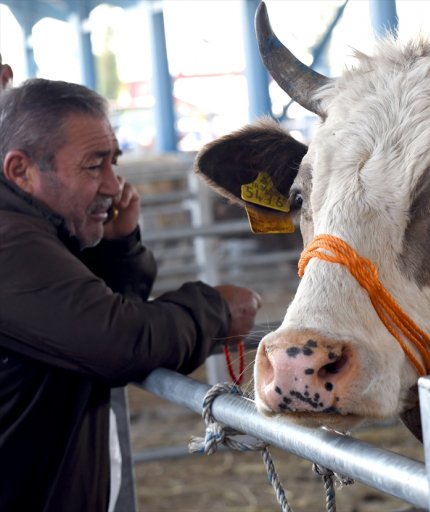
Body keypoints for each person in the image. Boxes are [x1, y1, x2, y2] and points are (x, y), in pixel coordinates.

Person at [0, 78, 261, 511]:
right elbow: (119, 340)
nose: (113, 185)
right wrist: (215, 309)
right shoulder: (10, 242)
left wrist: (116, 248)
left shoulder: (36, 231)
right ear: (20, 171)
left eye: (113, 163)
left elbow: (85, 316)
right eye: (93, 165)